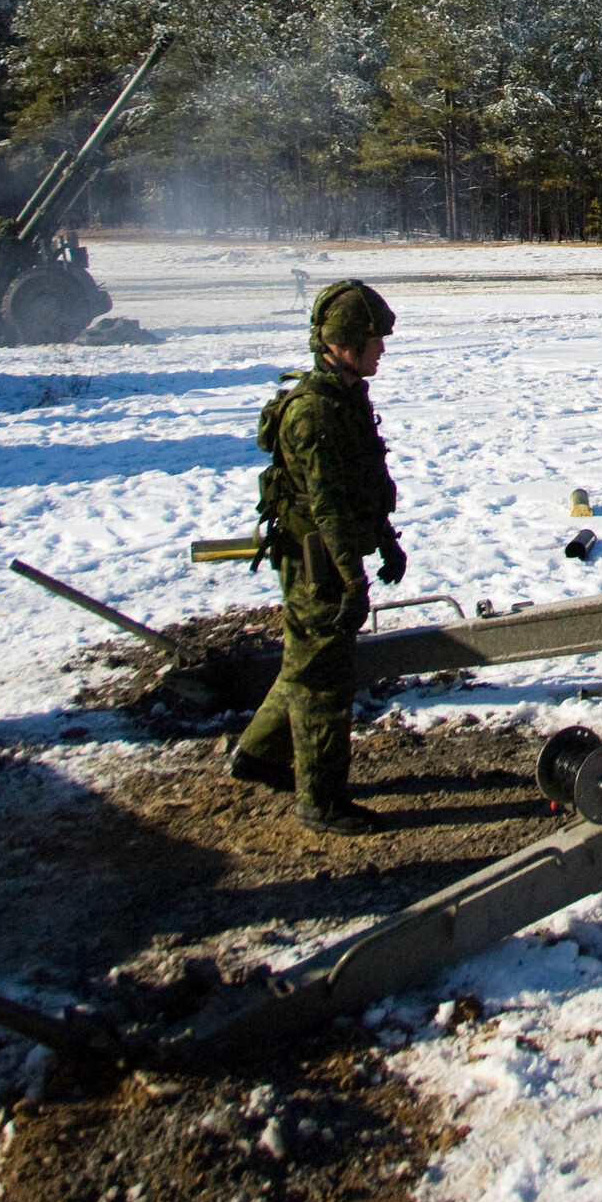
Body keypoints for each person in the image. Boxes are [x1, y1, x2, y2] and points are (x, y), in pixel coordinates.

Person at [229, 279, 408, 835]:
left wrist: (384, 537)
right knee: (324, 680)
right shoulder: (312, 413)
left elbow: (359, 482)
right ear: (346, 343)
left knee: (307, 662)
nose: (382, 350)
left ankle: (258, 756)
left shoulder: (346, 398)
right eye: (374, 340)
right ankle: (321, 800)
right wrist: (352, 581)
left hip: (334, 554)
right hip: (318, 562)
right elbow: (327, 505)